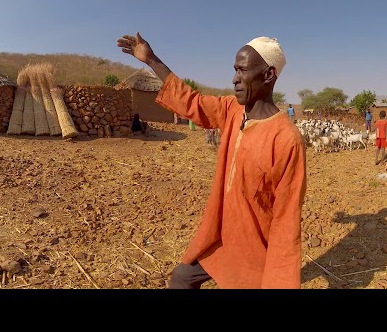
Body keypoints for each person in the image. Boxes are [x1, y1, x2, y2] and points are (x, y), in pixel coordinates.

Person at [117, 32, 307, 289]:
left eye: (242, 70)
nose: (234, 79)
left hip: (255, 247)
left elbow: (286, 220)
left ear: (268, 75)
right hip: (222, 236)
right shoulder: (232, 109)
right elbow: (191, 101)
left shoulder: (286, 138)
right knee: (182, 278)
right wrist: (152, 60)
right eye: (234, 70)